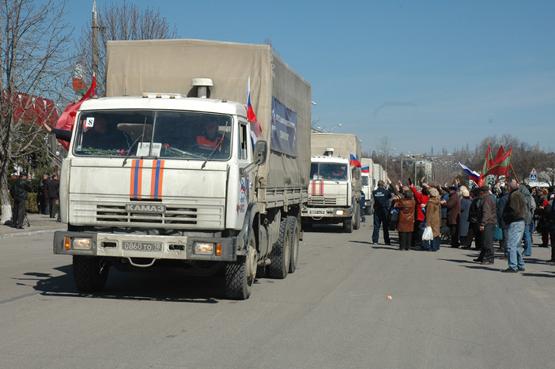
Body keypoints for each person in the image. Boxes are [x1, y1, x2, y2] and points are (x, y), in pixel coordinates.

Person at [502, 179, 527, 273]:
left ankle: (513, 266)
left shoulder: (514, 195)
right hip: (520, 221)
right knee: (516, 245)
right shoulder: (519, 194)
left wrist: (506, 217)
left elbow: (514, 210)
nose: (508, 187)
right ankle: (520, 264)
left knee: (511, 245)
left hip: (515, 221)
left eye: (509, 185)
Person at [475, 186, 497, 264]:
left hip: (488, 223)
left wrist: (482, 223)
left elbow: (486, 213)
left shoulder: (486, 199)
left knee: (487, 241)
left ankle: (489, 258)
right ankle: (482, 256)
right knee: (484, 241)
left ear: (482, 192)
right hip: (490, 222)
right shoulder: (489, 198)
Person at [409, 179, 429, 248]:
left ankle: (416, 242)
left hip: (419, 215)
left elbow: (414, 191)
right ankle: (421, 242)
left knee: (417, 229)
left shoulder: (420, 196)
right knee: (422, 229)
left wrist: (411, 185)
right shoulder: (428, 197)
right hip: (425, 215)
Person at [372, 180, 392, 245]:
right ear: (383, 185)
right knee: (385, 226)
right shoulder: (386, 192)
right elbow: (390, 196)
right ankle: (387, 241)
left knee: (376, 226)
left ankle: (375, 241)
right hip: (384, 211)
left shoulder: (374, 192)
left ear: (378, 185)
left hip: (377, 211)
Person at [519, 184, 535, 257]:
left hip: (526, 217)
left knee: (526, 234)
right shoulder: (527, 196)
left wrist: (531, 215)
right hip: (526, 216)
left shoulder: (529, 197)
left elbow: (532, 207)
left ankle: (527, 250)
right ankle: (527, 249)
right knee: (526, 234)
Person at [425, 187, 442, 251]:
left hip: (432, 219)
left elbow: (428, 213)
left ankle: (433, 247)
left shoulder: (430, 202)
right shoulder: (438, 201)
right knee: (437, 233)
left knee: (432, 233)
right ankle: (437, 246)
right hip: (437, 218)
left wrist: (427, 223)